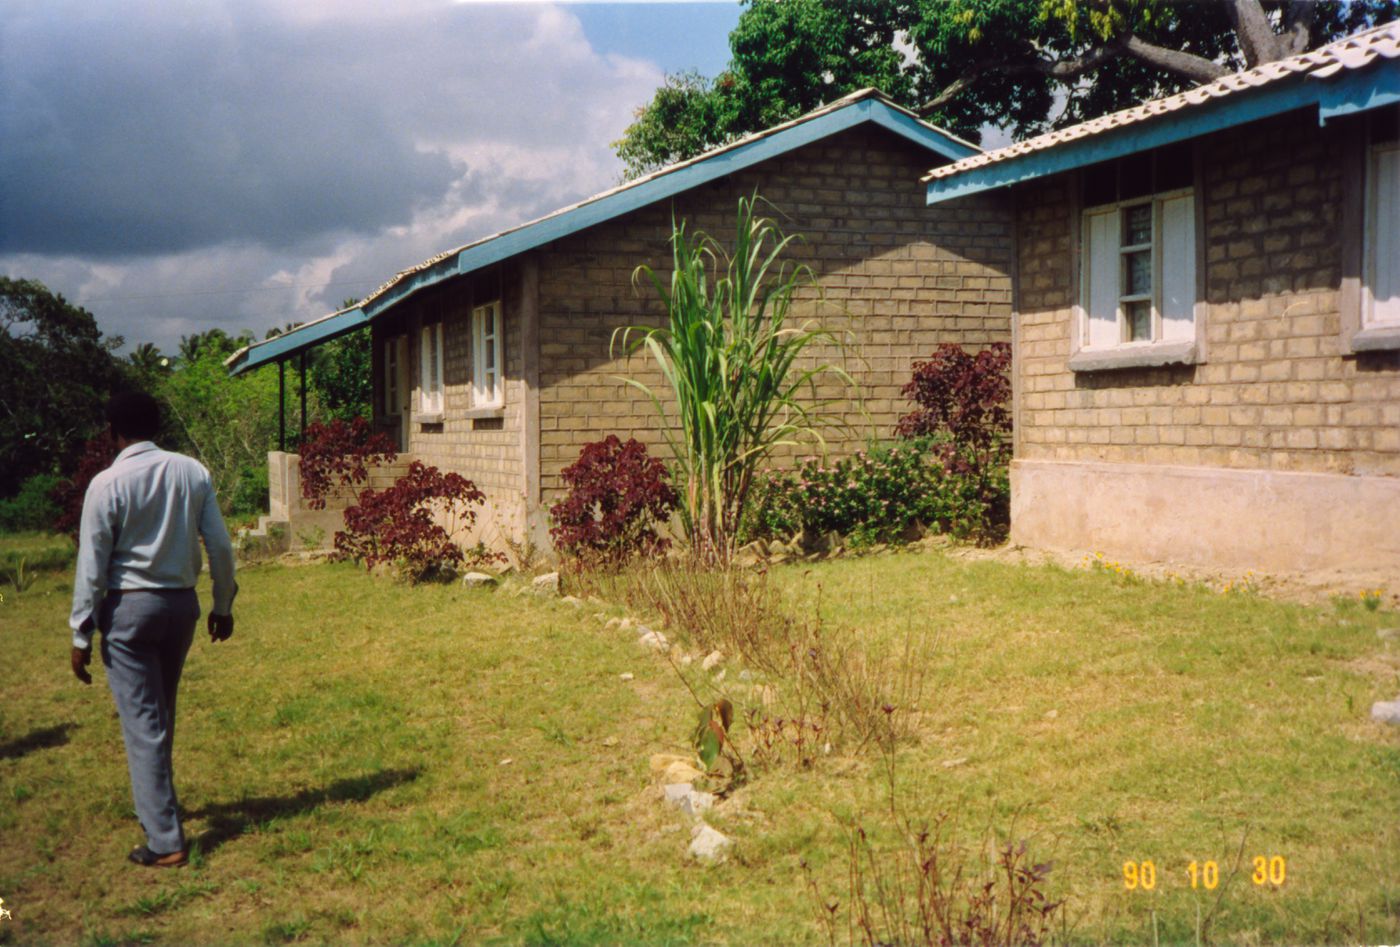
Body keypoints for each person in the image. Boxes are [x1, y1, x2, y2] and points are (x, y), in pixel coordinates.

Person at [68, 391, 238, 868]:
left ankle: (165, 842)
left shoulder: (108, 482)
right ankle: (162, 809)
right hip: (180, 606)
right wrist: (222, 604)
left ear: (112, 432)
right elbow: (220, 547)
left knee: (144, 724)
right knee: (160, 713)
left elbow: (93, 564)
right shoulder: (192, 472)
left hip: (128, 611)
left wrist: (81, 632)